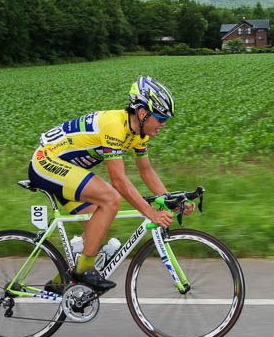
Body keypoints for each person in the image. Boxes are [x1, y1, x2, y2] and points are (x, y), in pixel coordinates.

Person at [28, 75, 193, 291]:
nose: (163, 124)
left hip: (67, 171)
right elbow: (118, 180)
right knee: (110, 199)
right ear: (143, 113)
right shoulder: (115, 126)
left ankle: (63, 284)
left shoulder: (138, 134)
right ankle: (84, 270)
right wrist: (151, 214)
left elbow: (146, 170)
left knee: (96, 228)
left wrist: (170, 199)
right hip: (46, 162)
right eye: (161, 119)